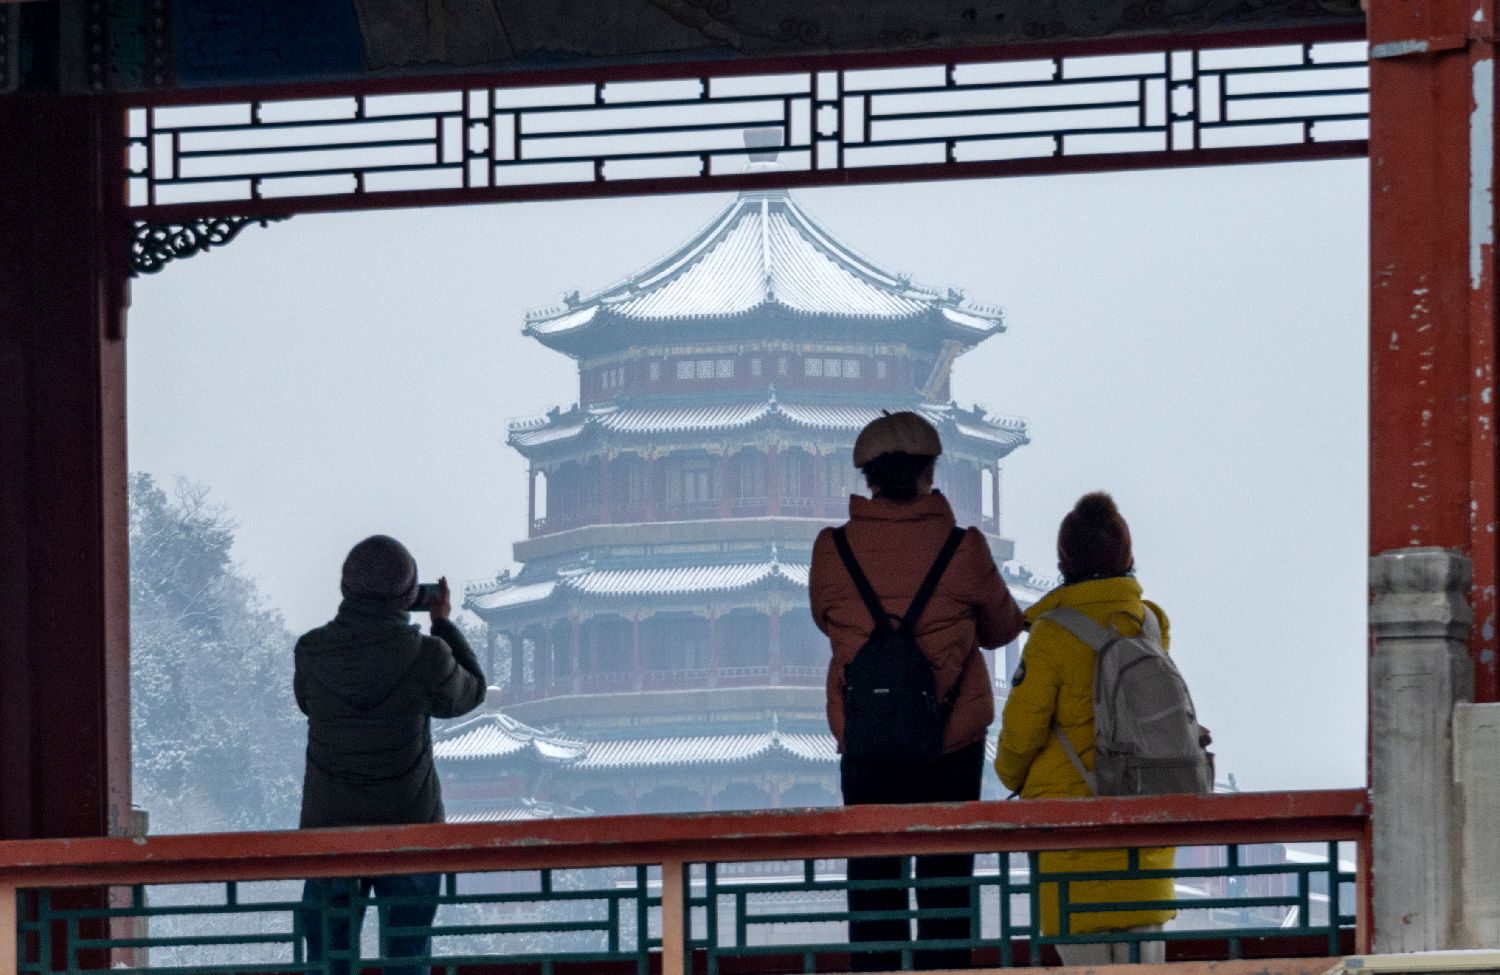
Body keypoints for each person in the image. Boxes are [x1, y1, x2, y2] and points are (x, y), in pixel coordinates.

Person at [810, 412, 1024, 971]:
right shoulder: (964, 549)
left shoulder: (832, 549)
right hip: (949, 742)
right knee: (946, 882)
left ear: (868, 479)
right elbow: (1003, 628)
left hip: (868, 740)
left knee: (873, 882)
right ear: (930, 473)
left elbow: (824, 619)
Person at [996, 493, 1176, 965]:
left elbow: (1018, 741)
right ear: (1127, 556)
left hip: (1073, 855)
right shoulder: (1150, 625)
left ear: (1065, 561)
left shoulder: (1052, 635)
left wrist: (1011, 774)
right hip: (1144, 850)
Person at [295, 534, 487, 975]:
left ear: (345, 587)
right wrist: (443, 624)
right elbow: (471, 692)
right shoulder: (426, 656)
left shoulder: (312, 652)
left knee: (327, 956)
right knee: (408, 954)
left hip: (329, 829)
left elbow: (307, 703)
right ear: (408, 595)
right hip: (409, 827)